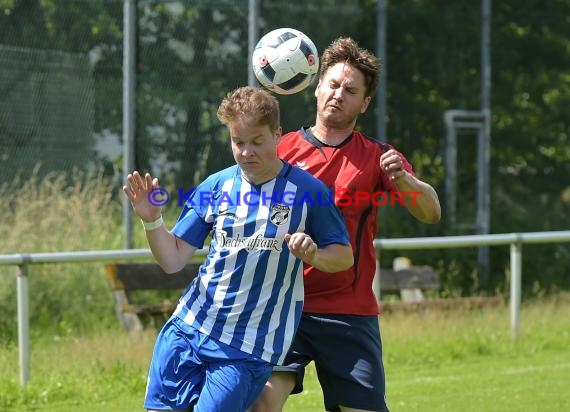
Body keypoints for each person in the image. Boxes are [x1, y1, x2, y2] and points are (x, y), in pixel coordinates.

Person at [123, 86, 354, 412]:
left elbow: (344, 256)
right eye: (238, 142)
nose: (246, 152)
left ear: (277, 134)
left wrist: (314, 254)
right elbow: (173, 259)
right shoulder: (215, 186)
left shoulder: (308, 192)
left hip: (247, 348)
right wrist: (152, 221)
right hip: (188, 328)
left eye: (256, 142)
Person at [250, 37, 441, 412]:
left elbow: (431, 212)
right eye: (333, 84)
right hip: (285, 308)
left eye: (351, 90)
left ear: (364, 103)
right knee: (258, 405)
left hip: (348, 310)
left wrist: (405, 180)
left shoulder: (379, 157)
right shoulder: (280, 151)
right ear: (316, 86)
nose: (339, 94)